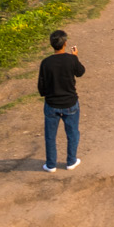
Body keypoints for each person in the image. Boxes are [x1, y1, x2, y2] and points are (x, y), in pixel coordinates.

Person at [36, 29, 85, 171]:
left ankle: (51, 165)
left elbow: (41, 86)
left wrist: (47, 95)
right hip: (70, 103)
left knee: (50, 136)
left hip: (51, 104)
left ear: (52, 45)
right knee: (72, 133)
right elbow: (80, 72)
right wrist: (75, 57)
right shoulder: (71, 59)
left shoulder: (46, 63)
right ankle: (71, 161)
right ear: (65, 43)